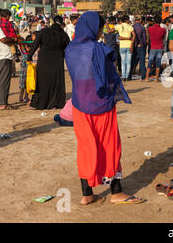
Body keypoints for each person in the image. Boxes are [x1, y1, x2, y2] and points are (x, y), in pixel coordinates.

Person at [65, 11, 145, 205]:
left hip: (80, 105)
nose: (101, 32)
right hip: (101, 105)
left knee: (86, 147)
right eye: (101, 28)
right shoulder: (100, 49)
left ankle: (87, 193)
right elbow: (110, 77)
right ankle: (116, 191)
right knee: (109, 146)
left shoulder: (70, 49)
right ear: (95, 28)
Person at [27, 15, 70, 110]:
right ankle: (55, 103)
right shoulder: (63, 35)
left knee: (42, 81)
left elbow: (35, 44)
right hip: (57, 60)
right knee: (56, 82)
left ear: (53, 22)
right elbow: (69, 49)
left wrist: (29, 56)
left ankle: (40, 103)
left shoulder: (44, 31)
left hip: (44, 60)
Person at [0, 8, 16, 110]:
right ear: (0, 16)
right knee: (4, 80)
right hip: (3, 54)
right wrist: (13, 39)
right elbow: (3, 39)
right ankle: (3, 103)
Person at [145, 16, 166, 82]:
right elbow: (163, 38)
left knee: (150, 62)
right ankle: (156, 78)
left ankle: (146, 78)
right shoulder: (163, 30)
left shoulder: (150, 29)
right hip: (160, 47)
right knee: (158, 63)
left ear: (154, 21)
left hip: (152, 47)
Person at [115, 15, 134, 81]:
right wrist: (131, 43)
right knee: (128, 62)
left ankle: (123, 76)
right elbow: (134, 35)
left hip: (122, 46)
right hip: (129, 46)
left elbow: (109, 31)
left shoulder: (119, 26)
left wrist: (107, 24)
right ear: (127, 20)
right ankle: (127, 76)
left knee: (123, 62)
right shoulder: (130, 27)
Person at [18, 35, 33, 103]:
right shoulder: (22, 48)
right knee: (22, 82)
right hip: (24, 67)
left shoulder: (30, 48)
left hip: (29, 67)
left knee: (27, 82)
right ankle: (21, 97)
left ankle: (26, 97)